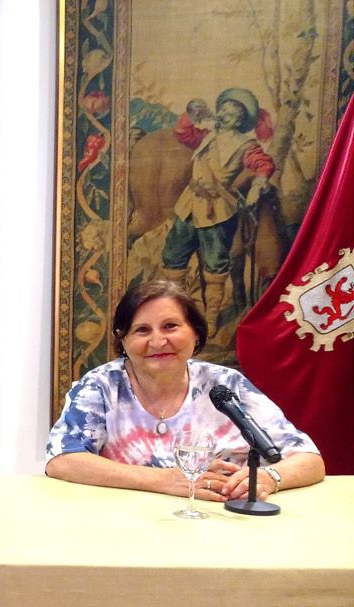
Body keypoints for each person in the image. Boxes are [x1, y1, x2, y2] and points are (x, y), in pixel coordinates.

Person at [46, 280, 324, 501]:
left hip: (224, 529)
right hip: (128, 530)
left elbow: (310, 460)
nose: (158, 341)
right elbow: (62, 460)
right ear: (124, 340)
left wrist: (269, 478)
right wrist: (165, 480)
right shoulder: (102, 385)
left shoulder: (225, 384)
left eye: (171, 326)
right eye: (142, 330)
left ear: (195, 333)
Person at [162, 87, 275, 337]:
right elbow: (182, 132)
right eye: (224, 109)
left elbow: (264, 164)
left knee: (214, 265)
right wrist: (193, 113)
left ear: (240, 121)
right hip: (189, 205)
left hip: (217, 210)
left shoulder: (245, 145)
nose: (225, 115)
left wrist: (257, 185)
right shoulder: (205, 134)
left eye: (233, 113)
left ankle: (210, 318)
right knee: (173, 257)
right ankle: (175, 314)